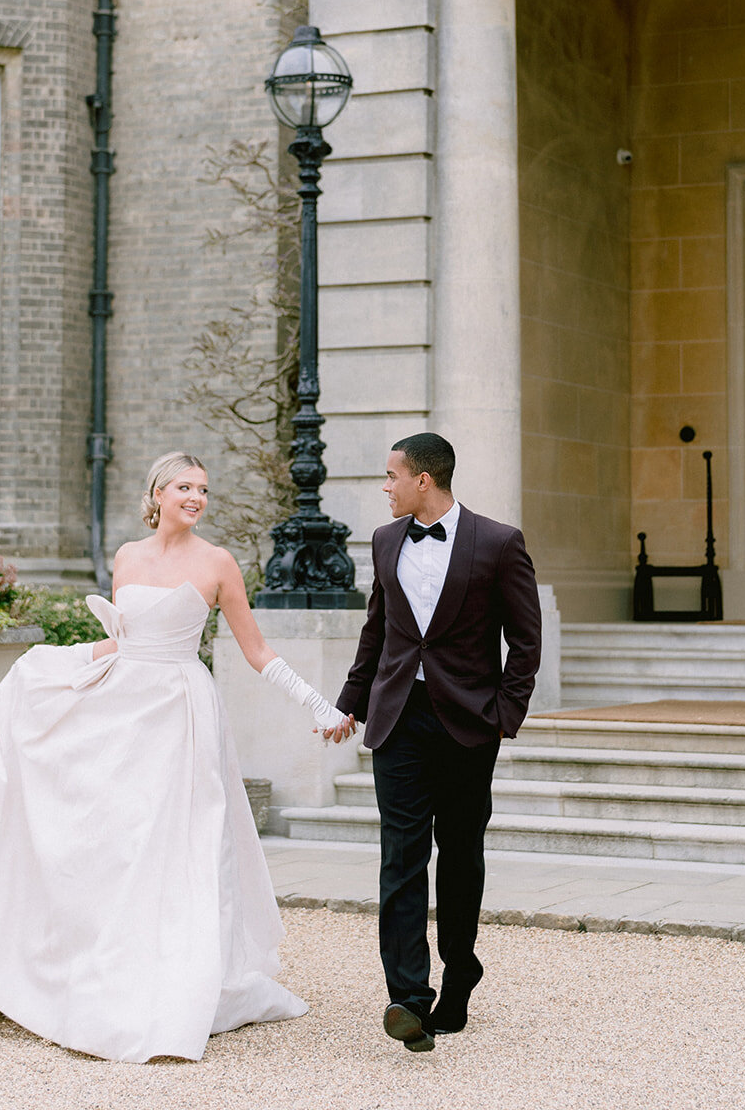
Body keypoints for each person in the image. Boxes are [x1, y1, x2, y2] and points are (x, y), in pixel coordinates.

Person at [0, 451, 354, 1064]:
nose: (196, 497)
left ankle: (183, 978)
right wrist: (55, 668)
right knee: (110, 841)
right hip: (122, 710)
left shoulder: (217, 563)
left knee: (179, 843)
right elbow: (125, 641)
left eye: (203, 489)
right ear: (157, 492)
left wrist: (319, 704)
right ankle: (91, 969)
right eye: (184, 486)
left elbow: (257, 651)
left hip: (180, 713)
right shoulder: (128, 557)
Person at [334, 433, 541, 1054]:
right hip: (397, 717)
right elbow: (379, 628)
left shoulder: (499, 543)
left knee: (458, 853)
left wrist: (504, 715)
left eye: (392, 475)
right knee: (400, 855)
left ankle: (460, 972)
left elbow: (525, 642)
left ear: (424, 479)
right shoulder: (384, 540)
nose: (385, 486)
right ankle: (407, 997)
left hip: (468, 722)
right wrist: (351, 701)